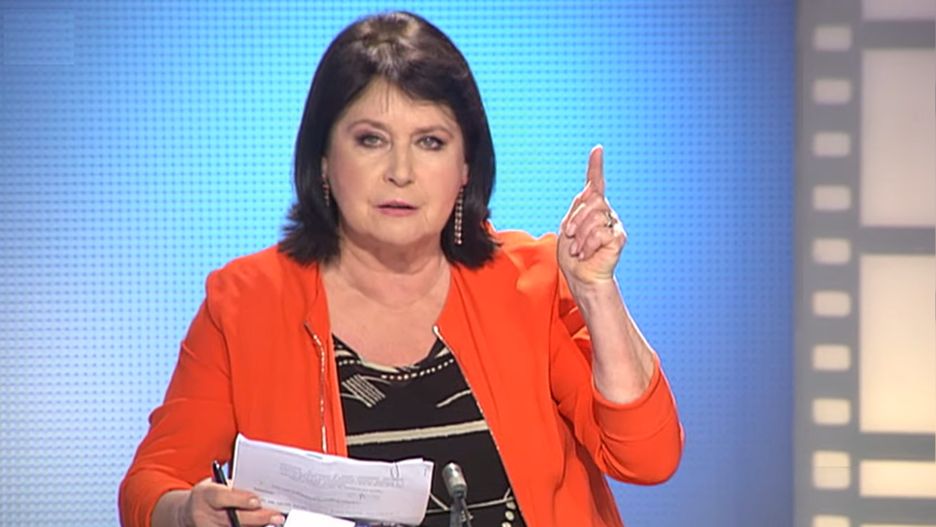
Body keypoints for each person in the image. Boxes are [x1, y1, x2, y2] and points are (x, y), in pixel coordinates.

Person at [119, 10, 683, 527]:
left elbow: (647, 458)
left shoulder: (528, 283)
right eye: (371, 140)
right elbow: (151, 486)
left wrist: (596, 291)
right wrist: (187, 514)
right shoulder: (245, 303)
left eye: (430, 142)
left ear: (465, 167)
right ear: (323, 159)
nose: (401, 172)